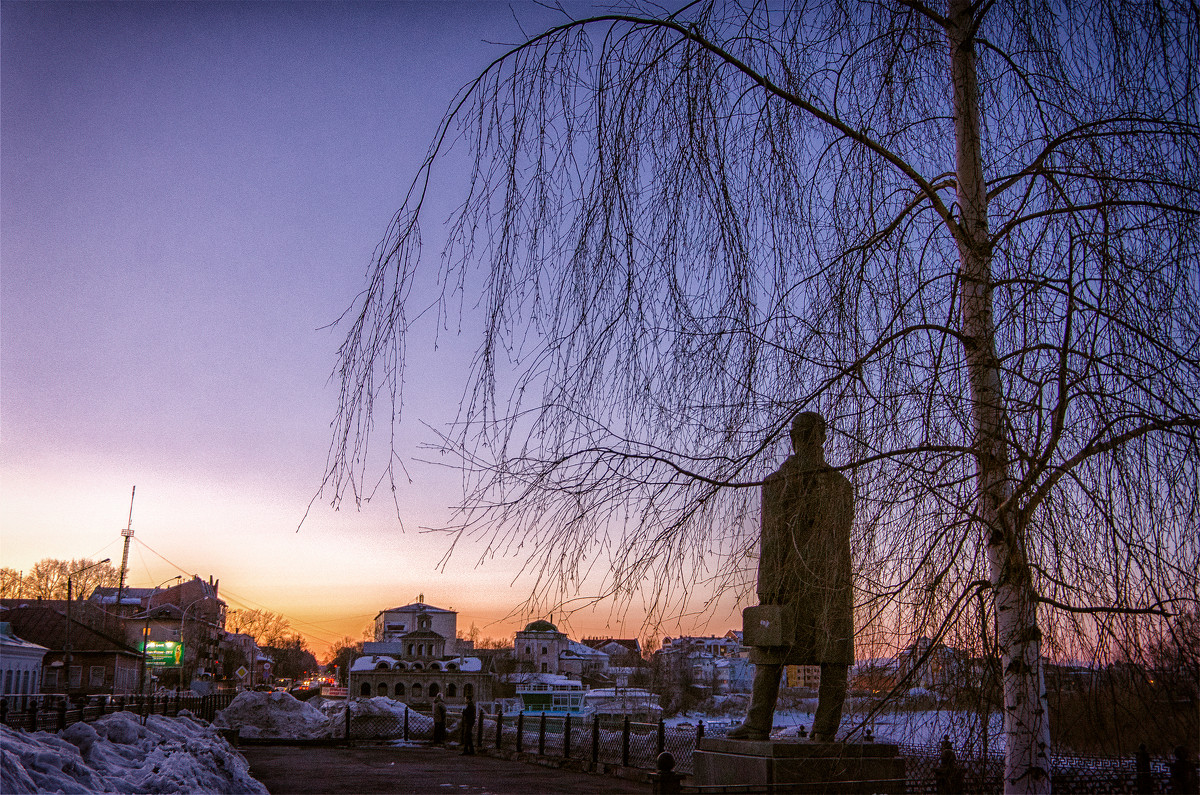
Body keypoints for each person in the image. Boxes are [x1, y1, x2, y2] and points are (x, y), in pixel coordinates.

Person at [730, 412, 854, 742]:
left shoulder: (781, 482)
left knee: (778, 652)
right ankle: (821, 731)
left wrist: (768, 587)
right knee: (822, 655)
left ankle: (760, 724)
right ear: (821, 438)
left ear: (793, 439)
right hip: (829, 584)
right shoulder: (839, 486)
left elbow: (773, 540)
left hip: (800, 582)